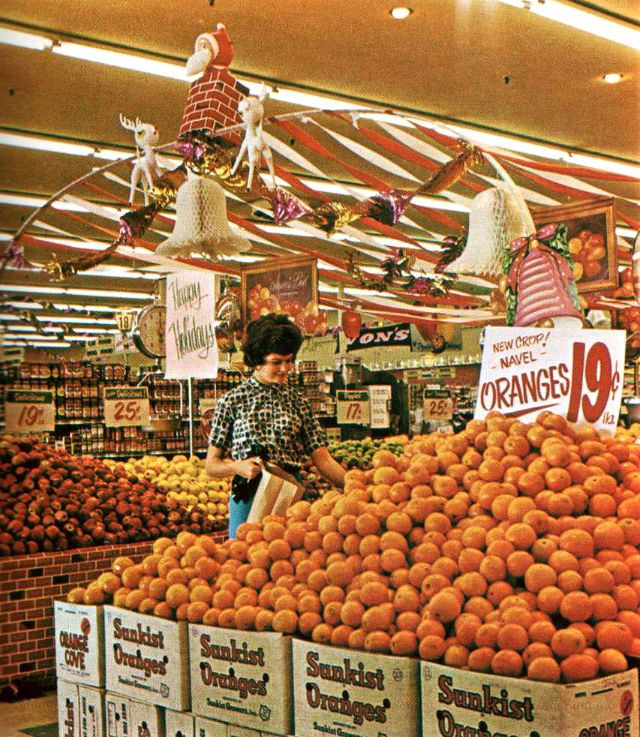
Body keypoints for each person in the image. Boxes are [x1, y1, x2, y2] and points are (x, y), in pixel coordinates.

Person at [206, 313, 345, 538]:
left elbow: (323, 458)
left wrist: (354, 486)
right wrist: (236, 467)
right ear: (257, 361)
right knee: (244, 564)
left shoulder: (299, 401)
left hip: (289, 496)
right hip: (247, 496)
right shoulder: (232, 400)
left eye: (289, 360)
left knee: (288, 564)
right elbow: (211, 465)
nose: (285, 368)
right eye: (276, 362)